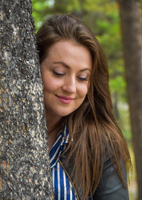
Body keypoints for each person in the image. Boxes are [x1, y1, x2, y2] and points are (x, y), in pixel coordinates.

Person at [36, 14, 131, 200]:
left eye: (82, 77)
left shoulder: (102, 144)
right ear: (34, 66)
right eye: (59, 72)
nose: (71, 88)